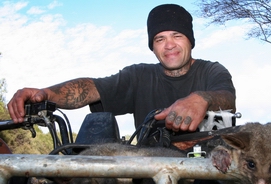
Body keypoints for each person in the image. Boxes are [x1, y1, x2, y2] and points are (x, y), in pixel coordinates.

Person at [7, 4, 236, 133]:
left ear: (190, 41)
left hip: (207, 175)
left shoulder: (212, 71)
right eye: (159, 39)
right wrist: (45, 94)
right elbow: (91, 88)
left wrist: (201, 99)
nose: (169, 45)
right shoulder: (138, 76)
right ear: (153, 48)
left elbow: (227, 99)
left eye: (177, 35)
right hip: (151, 175)